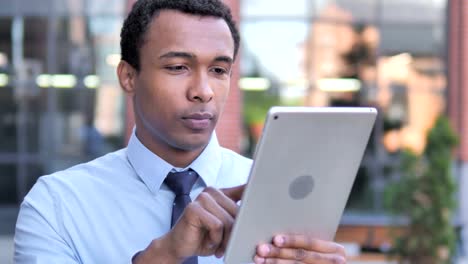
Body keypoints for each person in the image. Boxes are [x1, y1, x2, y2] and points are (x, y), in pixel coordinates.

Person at [14, 0, 347, 263]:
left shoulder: (275, 197)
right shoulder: (57, 206)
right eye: (178, 67)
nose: (203, 91)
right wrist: (165, 255)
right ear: (128, 77)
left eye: (219, 69)